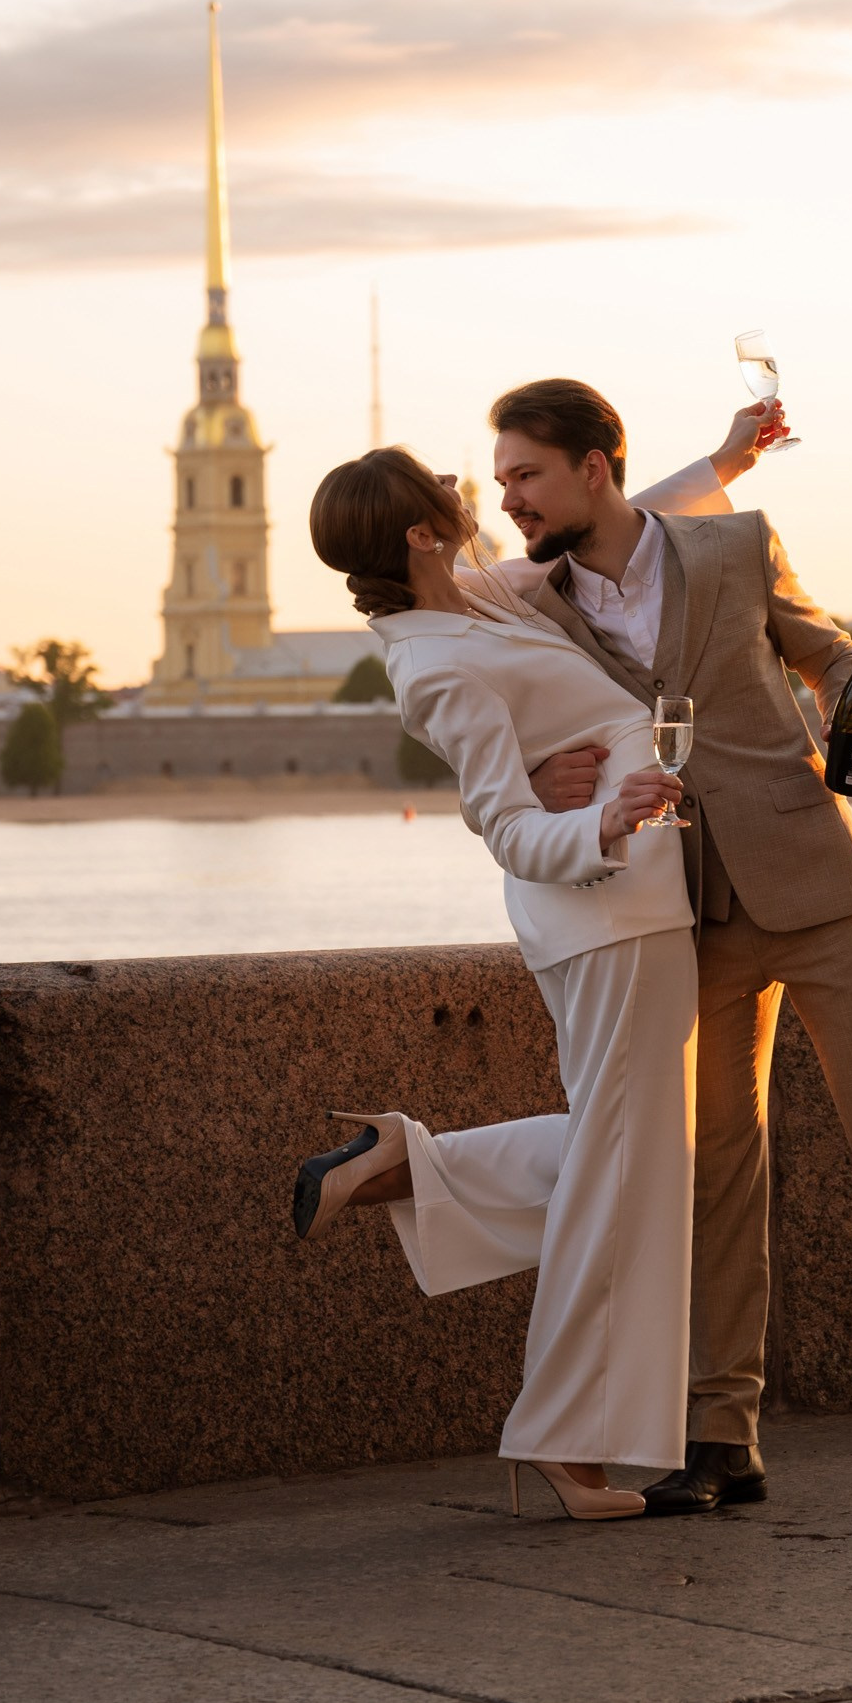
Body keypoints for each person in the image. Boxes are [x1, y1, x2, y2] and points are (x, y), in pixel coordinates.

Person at [494, 377, 852, 1513]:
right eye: (499, 482)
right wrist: (536, 778)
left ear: (595, 466)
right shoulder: (530, 604)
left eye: (525, 475)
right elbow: (495, 735)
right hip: (690, 911)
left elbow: (828, 652)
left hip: (818, 886)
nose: (510, 500)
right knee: (718, 1173)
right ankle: (721, 1433)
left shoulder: (733, 549)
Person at [302, 440, 727, 1521]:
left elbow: (615, 523)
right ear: (415, 532)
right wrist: (604, 818)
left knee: (620, 1156)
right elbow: (503, 824)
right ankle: (561, 1442)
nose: (467, 487)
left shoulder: (481, 598)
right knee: (623, 1166)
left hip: (631, 904)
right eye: (443, 482)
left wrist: (727, 456)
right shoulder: (435, 661)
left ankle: (407, 1160)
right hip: (606, 911)